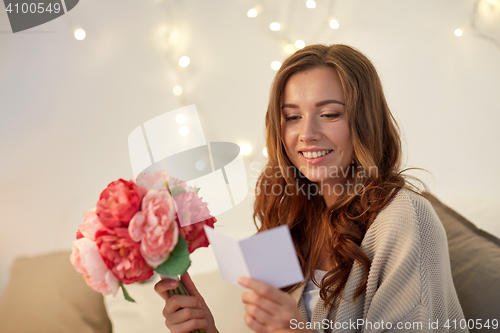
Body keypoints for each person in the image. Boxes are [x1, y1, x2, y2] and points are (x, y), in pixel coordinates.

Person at [154, 44, 467, 333]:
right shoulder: (286, 215)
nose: (306, 133)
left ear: (365, 121)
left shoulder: (404, 218)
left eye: (329, 114)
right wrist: (206, 329)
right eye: (292, 116)